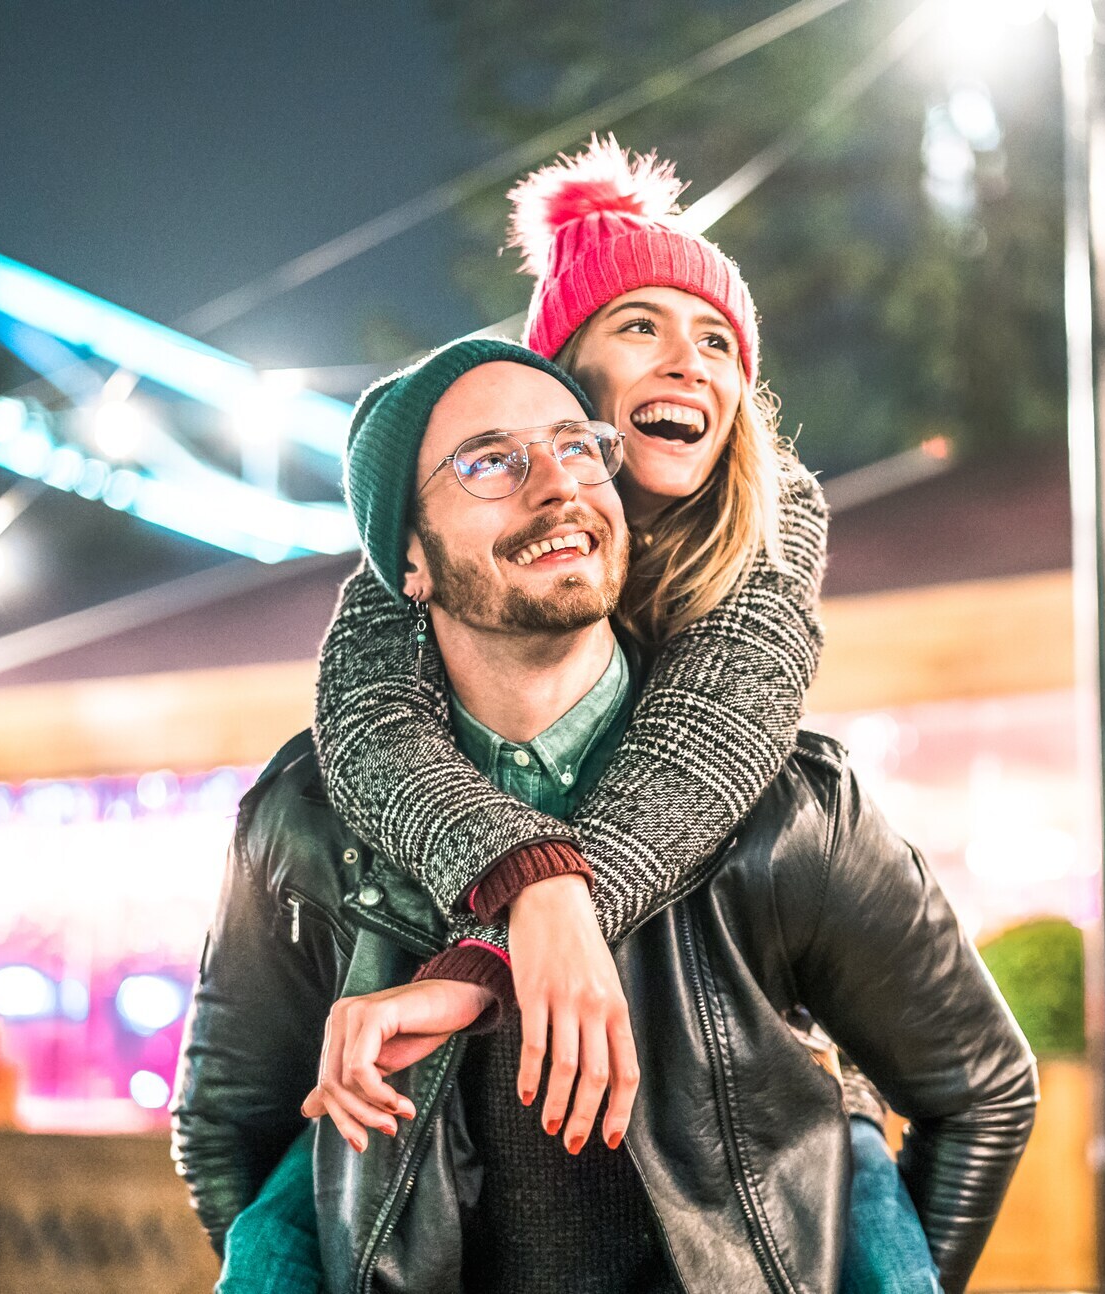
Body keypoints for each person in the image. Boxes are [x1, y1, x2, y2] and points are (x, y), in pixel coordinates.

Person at [171, 338, 1037, 1293]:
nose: (556, 486)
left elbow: (982, 1094)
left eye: (578, 446)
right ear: (409, 559)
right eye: (490, 461)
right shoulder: (306, 818)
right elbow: (228, 1131)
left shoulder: (787, 813)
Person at [232, 139, 935, 1290]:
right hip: (461, 1111)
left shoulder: (769, 530)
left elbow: (705, 743)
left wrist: (519, 920)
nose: (688, 361)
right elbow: (365, 720)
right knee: (286, 1217)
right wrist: (520, 892)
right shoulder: (451, 513)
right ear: (556, 370)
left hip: (733, 1066)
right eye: (640, 327)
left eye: (717, 341)